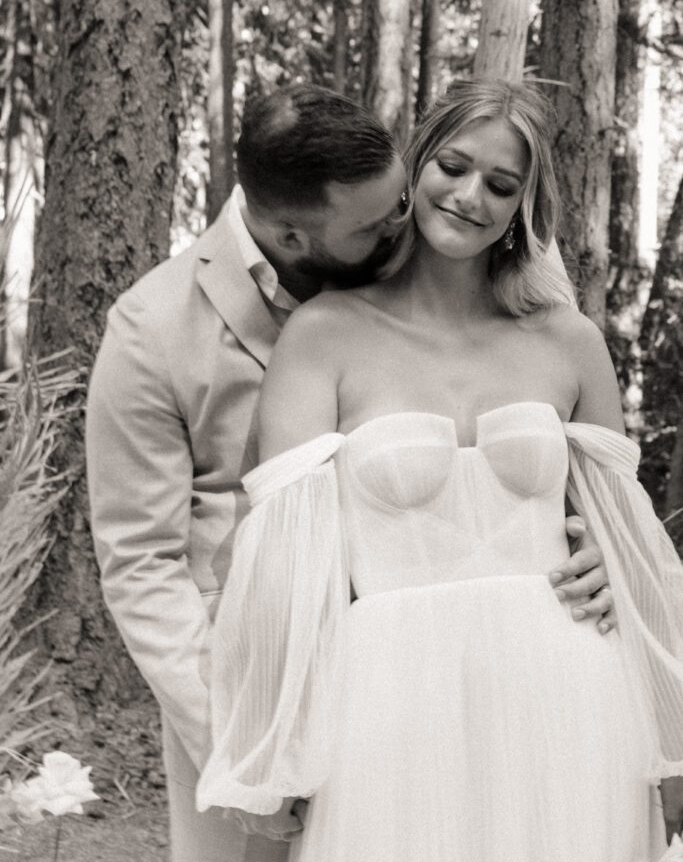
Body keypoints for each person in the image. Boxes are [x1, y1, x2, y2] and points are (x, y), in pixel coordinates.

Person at [86, 83, 613, 862]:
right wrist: (250, 749)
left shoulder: (445, 260)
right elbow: (140, 565)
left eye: (401, 199)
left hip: (485, 680)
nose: (409, 223)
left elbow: (554, 462)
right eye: (379, 221)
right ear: (296, 239)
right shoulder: (152, 330)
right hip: (242, 669)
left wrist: (595, 549)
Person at [196, 79, 683, 861]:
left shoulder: (568, 341)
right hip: (388, 705)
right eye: (452, 166)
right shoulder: (324, 335)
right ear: (417, 165)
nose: (468, 196)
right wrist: (274, 745)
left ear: (526, 204)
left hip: (570, 697)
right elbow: (280, 561)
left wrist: (615, 576)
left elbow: (632, 547)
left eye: (500, 184)